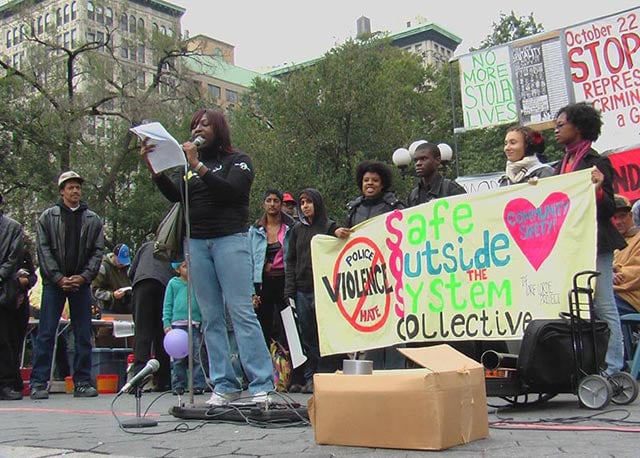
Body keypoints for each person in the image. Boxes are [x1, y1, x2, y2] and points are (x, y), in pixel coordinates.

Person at [140, 108, 274, 406]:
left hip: (230, 240)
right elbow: (179, 197)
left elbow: (231, 192)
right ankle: (224, 384)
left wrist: (197, 165)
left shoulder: (238, 161)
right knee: (210, 317)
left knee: (240, 312)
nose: (198, 128)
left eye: (205, 124)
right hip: (197, 244)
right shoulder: (189, 167)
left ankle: (262, 382)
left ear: (219, 129)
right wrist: (156, 171)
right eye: (194, 124)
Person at [554, 102, 626, 376]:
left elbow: (608, 207)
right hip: (571, 245)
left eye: (562, 125)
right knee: (577, 304)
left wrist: (595, 190)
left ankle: (613, 366)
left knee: (603, 303)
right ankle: (586, 362)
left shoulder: (597, 162)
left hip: (596, 242)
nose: (557, 130)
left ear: (580, 127)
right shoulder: (561, 165)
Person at [30, 171, 105, 399]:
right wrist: (58, 277)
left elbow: (97, 251)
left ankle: (82, 381)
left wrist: (83, 277)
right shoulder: (47, 218)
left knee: (83, 333)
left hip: (81, 283)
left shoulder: (93, 219)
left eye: (78, 187)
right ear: (62, 191)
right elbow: (42, 250)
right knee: (46, 333)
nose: (75, 191)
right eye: (70, 187)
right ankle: (39, 383)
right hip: (54, 283)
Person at [284, 188, 351, 393]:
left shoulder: (328, 226)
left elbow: (340, 238)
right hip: (302, 290)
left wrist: (338, 231)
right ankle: (310, 375)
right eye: (302, 202)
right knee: (307, 334)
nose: (305, 206)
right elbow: (291, 260)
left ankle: (326, 372)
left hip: (323, 290)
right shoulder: (296, 230)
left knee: (325, 334)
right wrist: (289, 290)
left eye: (309, 202)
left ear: (317, 204)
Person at [345, 161, 405, 369]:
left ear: (383, 184)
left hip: (390, 273)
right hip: (365, 277)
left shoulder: (395, 207)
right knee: (372, 323)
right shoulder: (354, 209)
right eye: (366, 180)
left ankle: (395, 373)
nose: (370, 184)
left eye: (375, 180)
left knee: (393, 323)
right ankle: (374, 372)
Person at [249, 189, 295, 346]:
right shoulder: (255, 230)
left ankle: (292, 366)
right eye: (269, 200)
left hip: (285, 279)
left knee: (289, 324)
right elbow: (249, 261)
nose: (272, 204)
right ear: (263, 204)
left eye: (276, 201)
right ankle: (265, 366)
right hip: (262, 282)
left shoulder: (291, 228)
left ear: (281, 204)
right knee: (263, 325)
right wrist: (251, 292)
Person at [128, 240, 175, 392]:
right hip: (164, 284)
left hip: (142, 283)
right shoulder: (175, 246)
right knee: (162, 332)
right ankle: (164, 380)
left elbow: (131, 271)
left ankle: (139, 380)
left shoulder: (146, 245)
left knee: (142, 333)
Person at [0, 192, 33, 401]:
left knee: (7, 341)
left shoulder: (12, 227)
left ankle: (7, 383)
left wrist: (22, 281)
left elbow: (15, 260)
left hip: (7, 294)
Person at [163, 261, 207, 394]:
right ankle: (178, 384)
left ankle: (198, 384)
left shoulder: (197, 283)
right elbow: (167, 304)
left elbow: (203, 303)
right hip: (177, 326)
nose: (189, 269)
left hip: (194, 324)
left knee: (197, 356)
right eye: (185, 266)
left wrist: (203, 321)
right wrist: (166, 322)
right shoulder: (173, 284)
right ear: (177, 269)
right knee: (178, 358)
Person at [407, 142, 466, 206]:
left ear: (437, 160)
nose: (418, 163)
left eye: (423, 159)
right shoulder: (413, 195)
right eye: (416, 160)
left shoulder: (451, 188)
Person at [612, 195, 640, 315]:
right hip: (616, 295)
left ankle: (618, 335)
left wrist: (610, 272)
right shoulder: (613, 243)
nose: (618, 222)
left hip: (633, 300)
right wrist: (610, 273)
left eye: (622, 216)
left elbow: (635, 274)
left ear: (631, 216)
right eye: (614, 217)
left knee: (596, 306)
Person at [91, 243, 132, 314]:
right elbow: (95, 292)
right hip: (108, 308)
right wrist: (112, 295)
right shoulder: (104, 268)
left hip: (126, 307)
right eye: (120, 261)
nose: (122, 264)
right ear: (114, 256)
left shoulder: (127, 268)